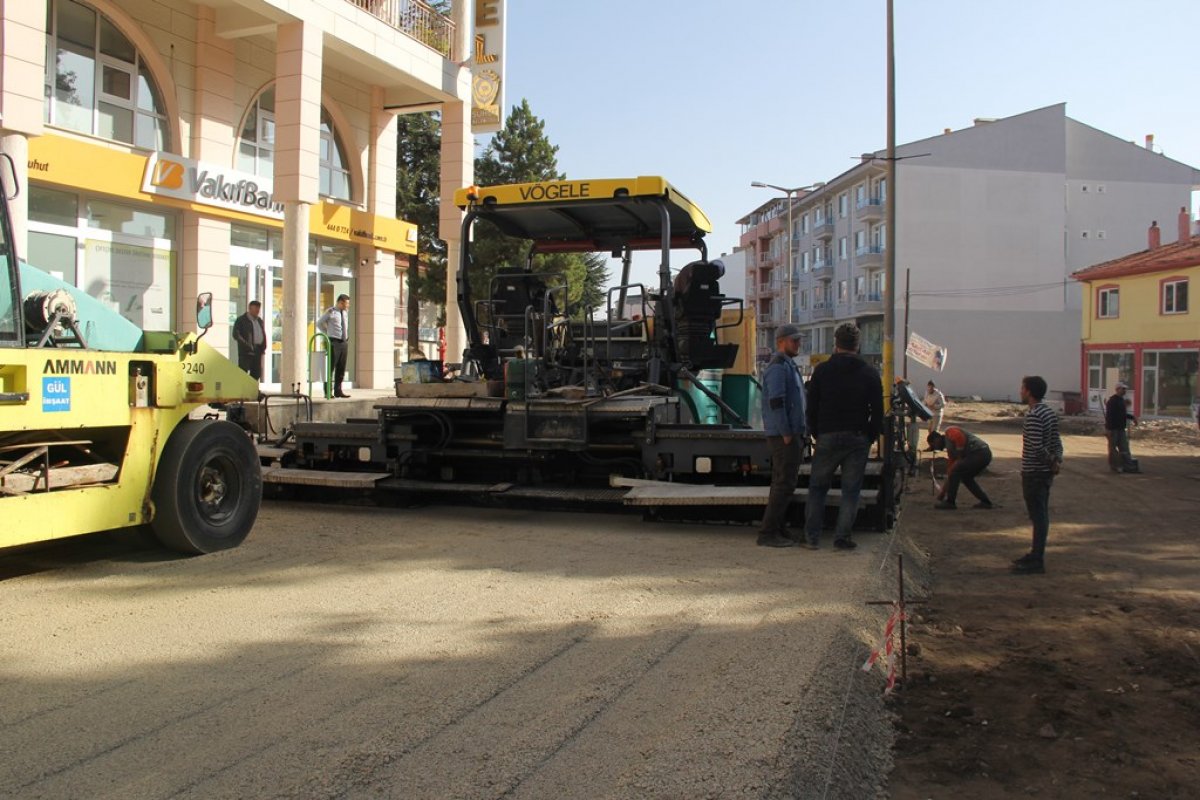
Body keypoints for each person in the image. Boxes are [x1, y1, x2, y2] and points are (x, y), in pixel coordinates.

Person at [804, 322, 884, 550]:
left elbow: (812, 406)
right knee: (851, 491)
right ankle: (842, 538)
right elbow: (878, 410)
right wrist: (870, 436)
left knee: (817, 488)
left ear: (836, 344)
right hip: (857, 437)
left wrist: (816, 432)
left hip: (827, 435)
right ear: (857, 345)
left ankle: (812, 538)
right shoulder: (869, 373)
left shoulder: (822, 371)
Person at [757, 323, 808, 548]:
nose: (798, 344)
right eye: (794, 340)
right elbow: (776, 402)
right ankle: (768, 533)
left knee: (784, 483)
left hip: (790, 433)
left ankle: (777, 528)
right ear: (781, 342)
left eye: (798, 340)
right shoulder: (778, 367)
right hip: (784, 436)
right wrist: (786, 432)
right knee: (783, 484)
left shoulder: (788, 365)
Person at [1012, 375, 1063, 575]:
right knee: (1040, 515)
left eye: (1023, 388)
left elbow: (1036, 447)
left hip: (1034, 472)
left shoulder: (1034, 415)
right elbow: (1057, 442)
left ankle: (1037, 559)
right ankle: (1035, 554)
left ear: (1029, 392)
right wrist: (1056, 460)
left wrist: (1051, 462)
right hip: (1044, 473)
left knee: (1038, 516)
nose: (1020, 391)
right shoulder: (1048, 413)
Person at [927, 427, 995, 509]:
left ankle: (950, 502)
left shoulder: (949, 431)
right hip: (982, 455)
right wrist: (942, 493)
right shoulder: (951, 452)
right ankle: (985, 501)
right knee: (965, 477)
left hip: (979, 452)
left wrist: (959, 456)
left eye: (934, 445)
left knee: (956, 472)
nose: (936, 448)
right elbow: (950, 473)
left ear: (936, 439)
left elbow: (959, 437)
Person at [317, 294, 352, 398]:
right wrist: (327, 333)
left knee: (341, 368)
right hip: (334, 342)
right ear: (340, 302)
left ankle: (338, 391)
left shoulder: (345, 313)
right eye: (346, 304)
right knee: (330, 367)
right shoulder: (331, 312)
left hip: (343, 342)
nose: (348, 306)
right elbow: (319, 323)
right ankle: (328, 391)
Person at [1104, 382, 1139, 473]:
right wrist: (1108, 429)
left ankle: (1129, 467)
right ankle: (1115, 467)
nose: (1124, 391)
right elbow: (1109, 416)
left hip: (1121, 429)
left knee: (1125, 448)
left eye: (1125, 389)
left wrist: (1132, 417)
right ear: (1117, 389)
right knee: (1113, 449)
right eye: (1123, 389)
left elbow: (1123, 414)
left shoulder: (1121, 401)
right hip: (1113, 429)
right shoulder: (1112, 401)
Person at [232, 300, 267, 380]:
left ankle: (253, 387)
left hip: (257, 350)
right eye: (255, 309)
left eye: (258, 309)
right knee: (243, 373)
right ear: (250, 309)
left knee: (256, 373)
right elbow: (236, 334)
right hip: (246, 351)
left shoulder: (259, 321)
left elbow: (262, 333)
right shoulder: (241, 320)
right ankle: (243, 387)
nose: (257, 311)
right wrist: (247, 345)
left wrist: (263, 346)